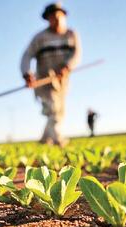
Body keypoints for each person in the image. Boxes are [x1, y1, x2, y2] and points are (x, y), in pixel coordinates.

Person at [21, 3, 81, 146]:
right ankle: (58, 140)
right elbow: (27, 56)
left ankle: (44, 140)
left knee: (59, 110)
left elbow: (76, 54)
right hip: (44, 81)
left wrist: (68, 66)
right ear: (48, 19)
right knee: (54, 109)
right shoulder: (40, 38)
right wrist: (26, 73)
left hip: (62, 82)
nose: (56, 19)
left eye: (59, 16)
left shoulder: (71, 34)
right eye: (52, 17)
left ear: (64, 16)